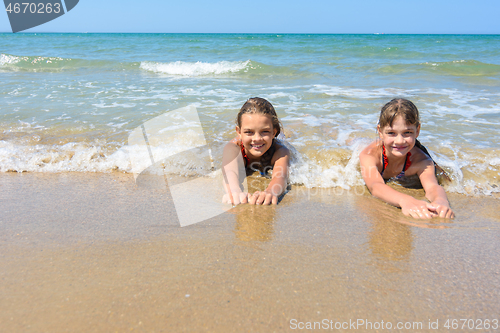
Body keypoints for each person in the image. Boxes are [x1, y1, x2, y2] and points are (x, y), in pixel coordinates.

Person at [359, 98, 454, 219]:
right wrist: (405, 200)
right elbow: (375, 186)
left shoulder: (422, 161)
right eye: (391, 133)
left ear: (417, 131)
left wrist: (441, 201)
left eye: (407, 132)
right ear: (380, 131)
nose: (399, 141)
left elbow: (432, 187)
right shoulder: (369, 155)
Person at [222, 97, 289, 205]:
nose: (257, 138)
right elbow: (230, 172)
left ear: (273, 132)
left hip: (280, 139)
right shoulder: (234, 148)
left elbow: (281, 176)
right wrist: (234, 191)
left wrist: (271, 191)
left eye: (265, 131)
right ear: (239, 132)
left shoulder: (280, 150)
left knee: (288, 135)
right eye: (249, 132)